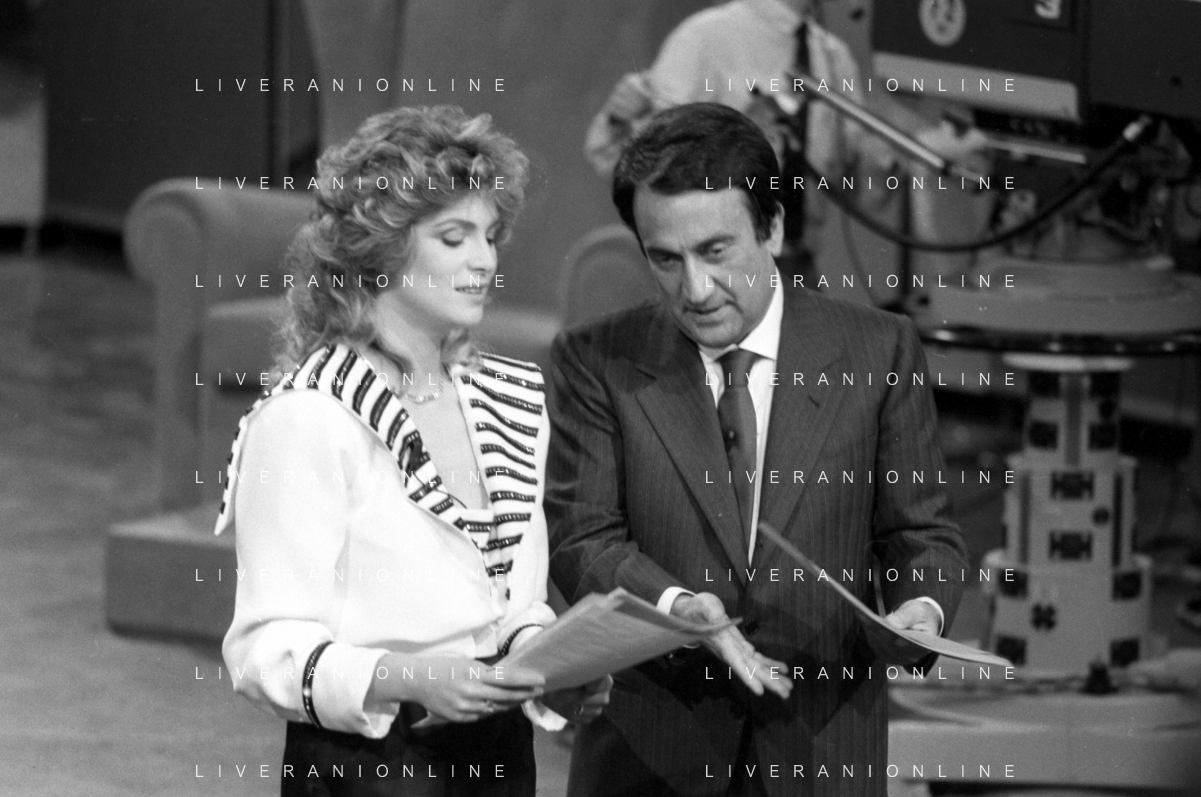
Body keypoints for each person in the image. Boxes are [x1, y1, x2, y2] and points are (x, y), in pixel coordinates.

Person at [547, 103, 969, 797]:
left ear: (771, 228)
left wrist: (920, 610)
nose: (694, 289)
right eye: (665, 259)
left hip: (820, 750)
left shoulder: (878, 351)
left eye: (715, 251)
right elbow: (582, 539)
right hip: (651, 758)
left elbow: (921, 533)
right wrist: (675, 606)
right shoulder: (596, 359)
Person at [217, 105, 611, 797]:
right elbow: (263, 650)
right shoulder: (311, 417)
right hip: (372, 762)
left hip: (498, 755)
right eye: (454, 237)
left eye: (490, 236)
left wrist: (545, 665)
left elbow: (512, 602)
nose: (484, 260)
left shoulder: (510, 400)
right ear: (381, 249)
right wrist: (413, 677)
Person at [584, 0, 985, 285]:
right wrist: (621, 118)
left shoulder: (833, 58)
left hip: (795, 271)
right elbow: (629, 159)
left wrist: (921, 153)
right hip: (717, 272)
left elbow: (861, 187)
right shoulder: (706, 37)